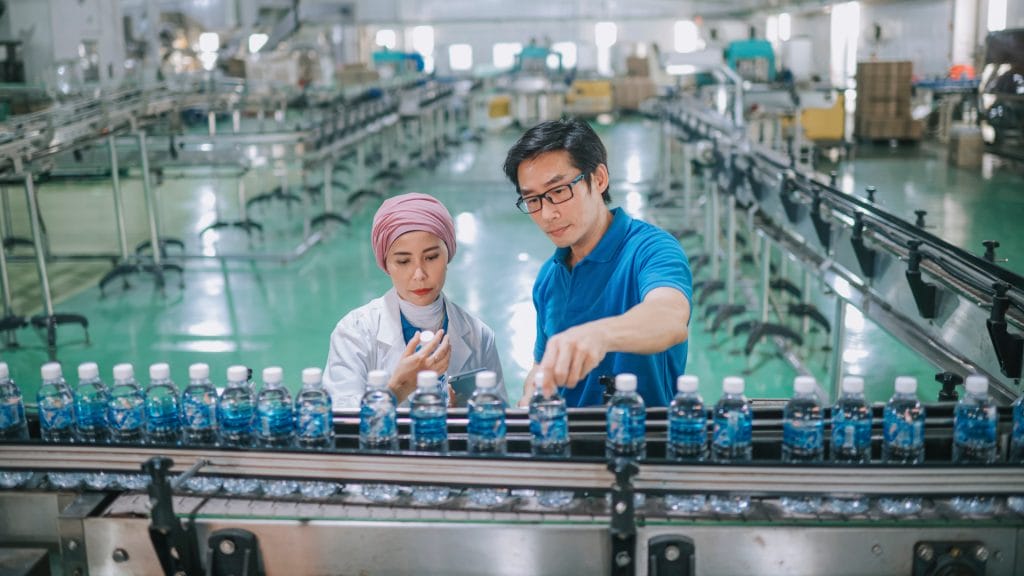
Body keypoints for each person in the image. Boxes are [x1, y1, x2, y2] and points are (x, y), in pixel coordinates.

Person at [503, 118, 693, 408]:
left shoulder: (650, 249)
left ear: (599, 178)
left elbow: (669, 316)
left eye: (558, 192)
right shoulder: (549, 278)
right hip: (566, 444)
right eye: (533, 200)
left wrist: (600, 334)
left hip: (640, 440)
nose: (547, 214)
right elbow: (542, 366)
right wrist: (532, 392)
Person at [323, 193, 505, 408]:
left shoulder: (478, 336)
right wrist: (396, 390)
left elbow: (500, 424)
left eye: (431, 257)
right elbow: (342, 425)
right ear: (386, 264)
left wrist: (459, 418)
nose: (419, 274)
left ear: (449, 255)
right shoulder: (354, 333)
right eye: (403, 261)